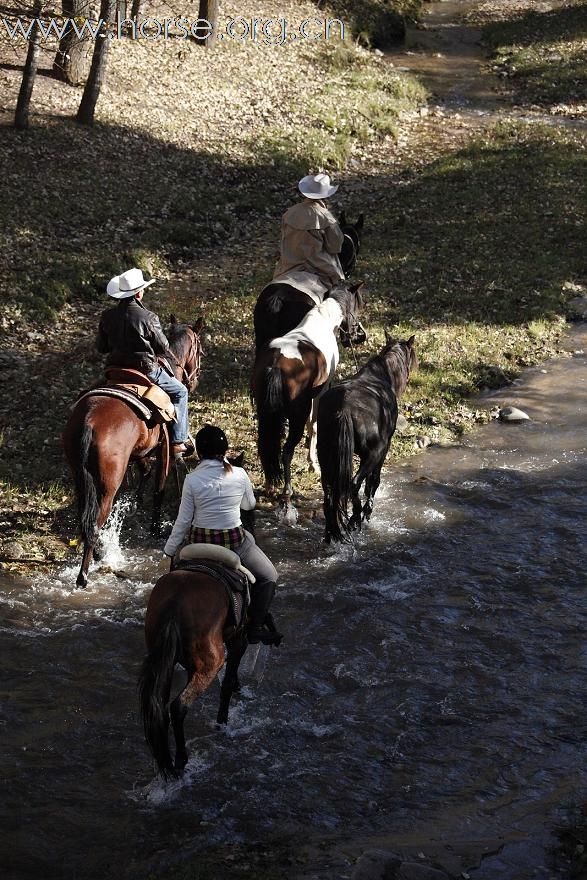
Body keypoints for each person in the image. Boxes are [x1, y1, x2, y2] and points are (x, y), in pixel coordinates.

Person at [163, 425, 282, 646]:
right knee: (269, 576)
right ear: (225, 449)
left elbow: (183, 522)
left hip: (198, 544)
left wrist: (170, 551)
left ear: (199, 452)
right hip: (235, 544)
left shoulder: (192, 479)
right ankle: (255, 627)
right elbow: (250, 504)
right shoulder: (239, 474)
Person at [96, 267, 193, 457]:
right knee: (181, 391)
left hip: (114, 370)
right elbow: (163, 348)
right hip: (146, 370)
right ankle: (177, 441)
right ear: (139, 292)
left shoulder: (107, 316)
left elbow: (102, 347)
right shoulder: (148, 317)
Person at [273, 172, 345, 289]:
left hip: (289, 265)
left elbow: (283, 239)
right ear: (326, 196)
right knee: (339, 287)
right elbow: (335, 247)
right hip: (319, 266)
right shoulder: (327, 218)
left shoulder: (290, 213)